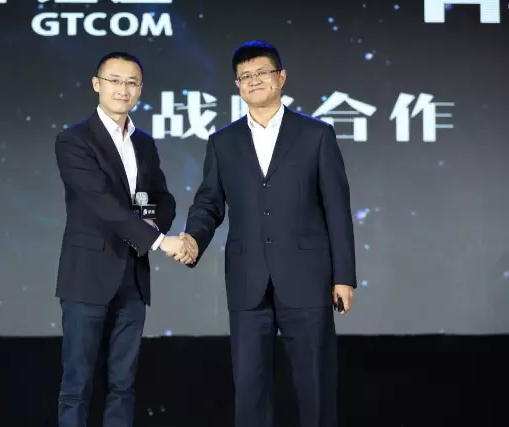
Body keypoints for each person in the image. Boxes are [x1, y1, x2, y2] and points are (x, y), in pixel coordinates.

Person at [174, 41, 357, 427]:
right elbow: (208, 204)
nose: (253, 81)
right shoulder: (223, 142)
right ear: (237, 86)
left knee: (315, 382)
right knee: (250, 387)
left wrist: (343, 276)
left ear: (281, 78)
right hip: (248, 279)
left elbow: (337, 210)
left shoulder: (316, 135)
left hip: (307, 277)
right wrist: (193, 238)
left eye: (261, 73)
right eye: (245, 76)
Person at [54, 51, 187, 427]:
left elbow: (162, 198)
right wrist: (159, 241)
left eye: (132, 82)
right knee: (77, 383)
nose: (123, 89)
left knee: (123, 385)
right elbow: (101, 203)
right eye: (115, 80)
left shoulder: (143, 142)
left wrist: (153, 224)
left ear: (140, 90)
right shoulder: (74, 140)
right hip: (87, 275)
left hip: (132, 275)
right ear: (97, 84)